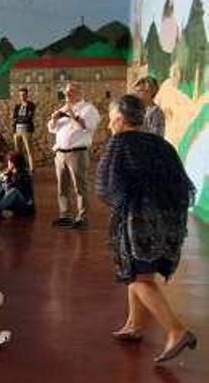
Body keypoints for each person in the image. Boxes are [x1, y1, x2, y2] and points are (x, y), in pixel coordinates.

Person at [96, 94, 196, 364]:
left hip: (137, 220)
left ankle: (177, 331)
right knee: (140, 271)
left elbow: (107, 188)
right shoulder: (161, 144)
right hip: (166, 220)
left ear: (119, 118)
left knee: (137, 278)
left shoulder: (119, 143)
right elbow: (184, 185)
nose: (108, 124)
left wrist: (124, 203)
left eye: (110, 117)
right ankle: (134, 324)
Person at [47, 82, 99, 230]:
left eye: (70, 91)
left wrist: (73, 115)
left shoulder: (88, 109)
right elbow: (52, 129)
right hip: (60, 153)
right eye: (66, 92)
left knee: (80, 186)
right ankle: (65, 216)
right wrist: (54, 118)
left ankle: (82, 217)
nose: (67, 94)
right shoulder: (63, 108)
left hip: (77, 152)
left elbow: (89, 127)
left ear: (79, 92)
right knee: (62, 187)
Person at [12, 88, 37, 169]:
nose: (22, 97)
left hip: (26, 130)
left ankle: (32, 168)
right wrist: (21, 119)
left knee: (29, 150)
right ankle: (20, 167)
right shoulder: (17, 106)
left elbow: (29, 118)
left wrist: (19, 119)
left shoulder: (31, 105)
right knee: (18, 152)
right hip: (17, 131)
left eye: (23, 95)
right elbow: (14, 118)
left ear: (27, 95)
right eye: (20, 95)